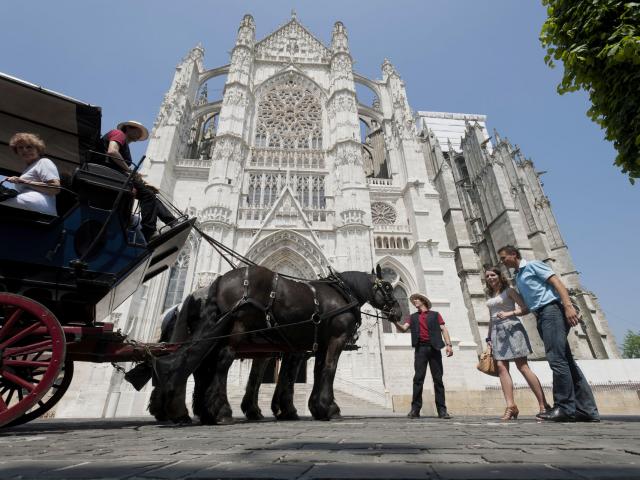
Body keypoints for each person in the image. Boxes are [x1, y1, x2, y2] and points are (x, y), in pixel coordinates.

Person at [498, 245, 600, 422]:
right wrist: (510, 313)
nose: (502, 262)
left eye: (503, 257)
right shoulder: (519, 276)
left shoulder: (533, 266)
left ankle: (564, 407)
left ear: (514, 255)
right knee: (567, 361)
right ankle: (587, 410)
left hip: (551, 311)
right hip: (541, 315)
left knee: (556, 359)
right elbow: (529, 305)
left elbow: (557, 283)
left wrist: (568, 306)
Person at [484, 267, 551, 420]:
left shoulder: (509, 291)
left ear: (499, 276)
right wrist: (488, 338)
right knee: (501, 367)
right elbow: (491, 317)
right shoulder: (490, 294)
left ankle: (543, 404)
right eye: (487, 276)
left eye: (493, 275)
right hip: (496, 331)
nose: (490, 278)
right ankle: (511, 406)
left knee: (522, 366)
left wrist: (510, 313)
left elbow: (526, 308)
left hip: (512, 328)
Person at [100, 120, 176, 241]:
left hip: (117, 175)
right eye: (138, 131)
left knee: (151, 196)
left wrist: (145, 184)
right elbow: (112, 151)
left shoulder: (124, 144)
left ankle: (173, 222)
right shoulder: (118, 134)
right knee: (148, 196)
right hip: (111, 175)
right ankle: (149, 231)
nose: (140, 135)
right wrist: (129, 171)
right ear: (128, 128)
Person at [393, 293, 453, 419]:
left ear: (423, 301)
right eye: (413, 300)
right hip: (420, 349)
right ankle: (415, 410)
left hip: (435, 348)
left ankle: (442, 410)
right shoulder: (412, 317)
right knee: (418, 379)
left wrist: (449, 345)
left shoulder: (435, 315)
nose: (414, 301)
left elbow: (444, 329)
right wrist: (394, 322)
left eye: (416, 299)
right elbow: (403, 328)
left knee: (438, 380)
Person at [2, 133, 60, 215]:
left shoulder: (43, 162)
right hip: (28, 208)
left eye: (29, 147)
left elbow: (55, 188)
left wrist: (23, 181)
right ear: (17, 151)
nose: (24, 150)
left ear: (38, 149)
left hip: (40, 207)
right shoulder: (27, 169)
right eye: (20, 147)